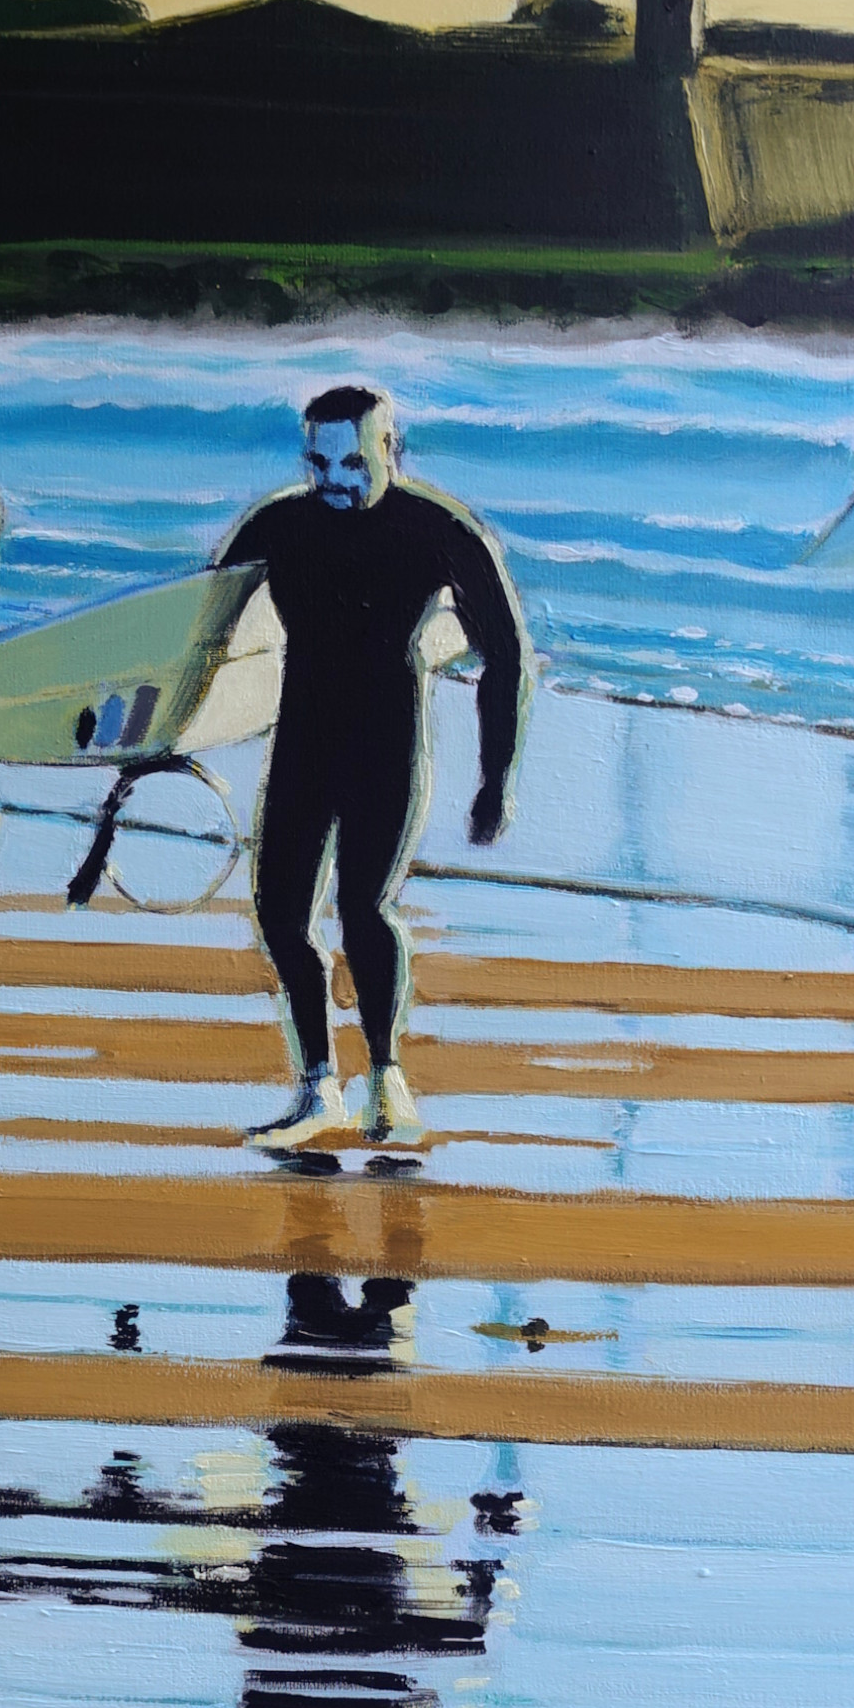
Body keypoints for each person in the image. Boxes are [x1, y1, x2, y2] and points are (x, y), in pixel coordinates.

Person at [217, 385, 532, 1150]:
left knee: (363, 907)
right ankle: (317, 1085)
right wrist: (149, 736)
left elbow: (505, 655)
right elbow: (202, 629)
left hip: (387, 742)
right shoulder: (278, 525)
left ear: (390, 450)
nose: (334, 480)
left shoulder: (438, 531)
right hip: (303, 740)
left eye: (353, 463)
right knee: (281, 914)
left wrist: (495, 779)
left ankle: (387, 1078)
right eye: (319, 463)